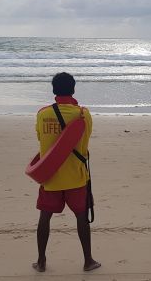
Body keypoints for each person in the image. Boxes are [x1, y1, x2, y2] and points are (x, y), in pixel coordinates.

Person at [32, 72, 100, 272]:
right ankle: (88, 261)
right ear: (73, 89)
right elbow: (85, 139)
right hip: (76, 178)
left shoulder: (42, 114)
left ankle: (41, 261)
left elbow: (40, 139)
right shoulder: (83, 114)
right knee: (81, 217)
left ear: (54, 90)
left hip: (50, 177)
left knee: (45, 217)